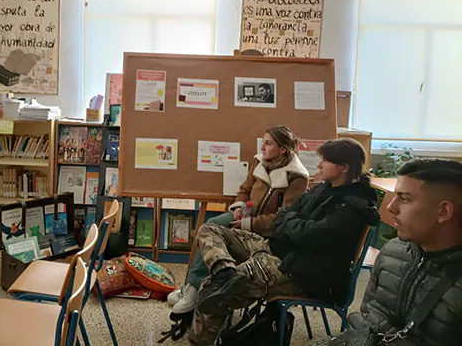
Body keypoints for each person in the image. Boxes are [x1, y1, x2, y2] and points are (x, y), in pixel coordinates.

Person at [189, 138, 380, 346]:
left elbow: (308, 234)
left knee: (215, 289)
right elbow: (284, 215)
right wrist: (292, 223)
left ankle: (201, 341)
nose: (319, 165)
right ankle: (224, 271)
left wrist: (290, 223)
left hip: (304, 272)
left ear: (344, 167)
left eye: (325, 160)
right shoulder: (323, 189)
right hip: (281, 251)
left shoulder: (352, 207)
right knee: (210, 230)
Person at [320, 159, 462, 346]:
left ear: (443, 211)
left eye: (404, 198)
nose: (390, 207)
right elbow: (367, 316)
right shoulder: (392, 251)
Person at [169, 126, 309, 314]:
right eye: (263, 142)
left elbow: (283, 219)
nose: (263, 148)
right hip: (245, 216)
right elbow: (245, 188)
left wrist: (247, 223)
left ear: (282, 149)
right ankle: (194, 287)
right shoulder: (259, 162)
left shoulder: (297, 176)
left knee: (214, 231)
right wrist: (238, 207)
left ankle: (196, 288)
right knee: (210, 226)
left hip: (265, 229)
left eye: (268, 143)